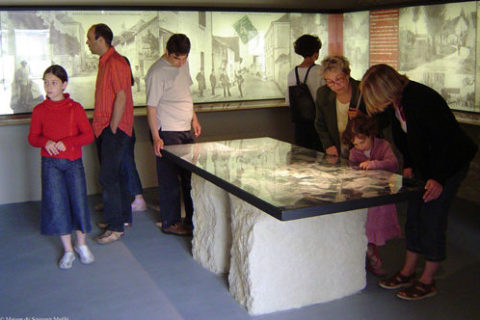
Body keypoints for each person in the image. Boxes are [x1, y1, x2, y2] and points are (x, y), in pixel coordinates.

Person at [360, 64, 478, 300]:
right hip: (426, 166)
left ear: (386, 89)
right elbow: (406, 138)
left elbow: (447, 144)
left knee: (432, 218)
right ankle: (407, 271)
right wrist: (409, 165)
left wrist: (439, 179)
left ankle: (427, 280)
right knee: (414, 215)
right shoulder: (398, 102)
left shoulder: (421, 99)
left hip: (448, 165)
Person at [28, 65, 95, 269]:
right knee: (57, 204)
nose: (49, 86)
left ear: (64, 84)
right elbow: (32, 137)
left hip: (73, 162)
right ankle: (68, 250)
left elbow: (88, 135)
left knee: (78, 201)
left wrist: (68, 142)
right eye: (46, 82)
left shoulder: (75, 108)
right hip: (50, 164)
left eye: (54, 82)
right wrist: (45, 142)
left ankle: (81, 244)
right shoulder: (39, 110)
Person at [145, 33, 202, 236]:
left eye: (184, 58)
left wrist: (193, 118)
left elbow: (186, 93)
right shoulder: (156, 73)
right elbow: (151, 108)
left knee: (189, 178)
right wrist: (156, 137)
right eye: (176, 58)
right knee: (169, 179)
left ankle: (192, 219)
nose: (180, 63)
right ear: (167, 52)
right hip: (167, 131)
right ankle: (170, 222)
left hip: (185, 129)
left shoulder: (183, 64)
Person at [86, 23, 134, 244]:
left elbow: (122, 96)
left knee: (108, 177)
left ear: (101, 40)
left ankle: (115, 227)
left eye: (90, 39)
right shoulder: (105, 62)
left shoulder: (116, 62)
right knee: (118, 175)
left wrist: (113, 127)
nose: (87, 43)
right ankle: (122, 219)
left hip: (113, 129)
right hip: (105, 127)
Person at [342, 113, 401, 277]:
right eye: (356, 144)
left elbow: (394, 163)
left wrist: (375, 164)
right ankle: (369, 257)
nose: (359, 146)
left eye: (362, 142)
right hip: (364, 195)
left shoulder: (383, 146)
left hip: (381, 197)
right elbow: (352, 169)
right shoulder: (355, 152)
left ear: (371, 135)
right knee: (364, 227)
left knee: (375, 228)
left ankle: (374, 257)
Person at [315, 55, 366, 158]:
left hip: (362, 151)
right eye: (329, 82)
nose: (335, 85)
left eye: (339, 79)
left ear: (348, 74)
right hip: (336, 150)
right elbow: (320, 124)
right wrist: (328, 145)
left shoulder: (362, 91)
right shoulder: (323, 93)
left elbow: (380, 121)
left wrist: (362, 116)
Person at [286, 34, 324, 151]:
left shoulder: (292, 73)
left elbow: (288, 101)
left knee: (302, 154)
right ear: (316, 52)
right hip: (318, 121)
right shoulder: (321, 71)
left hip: (300, 123)